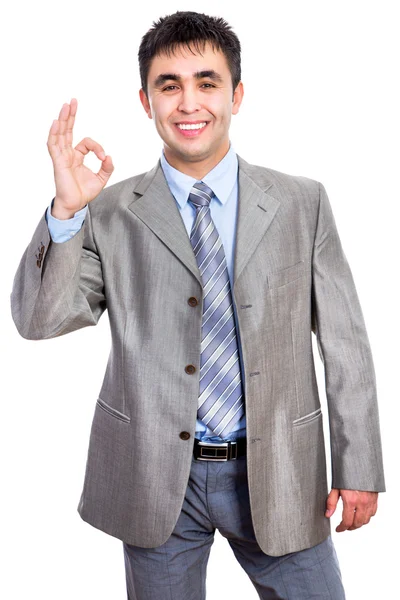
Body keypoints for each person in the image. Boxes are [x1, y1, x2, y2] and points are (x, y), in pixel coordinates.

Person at [10, 10, 386, 600]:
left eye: (207, 83)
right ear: (146, 101)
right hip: (156, 476)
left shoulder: (300, 202)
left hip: (281, 470)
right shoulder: (107, 211)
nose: (189, 103)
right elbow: (39, 321)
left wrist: (358, 465)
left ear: (236, 95)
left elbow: (345, 343)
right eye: (170, 85)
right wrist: (65, 214)